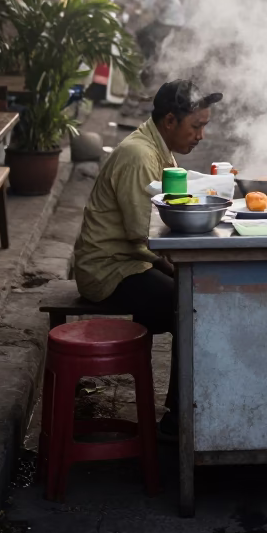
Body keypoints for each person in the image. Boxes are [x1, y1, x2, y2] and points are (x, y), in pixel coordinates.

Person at [73, 79, 223, 439]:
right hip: (109, 270)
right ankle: (176, 425)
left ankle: (194, 412)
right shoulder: (140, 155)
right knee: (191, 306)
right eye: (196, 126)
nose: (201, 135)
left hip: (132, 261)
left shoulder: (157, 146)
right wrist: (182, 270)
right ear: (170, 121)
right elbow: (144, 239)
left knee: (197, 295)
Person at [132, 0, 185, 71]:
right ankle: (150, 62)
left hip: (171, 19)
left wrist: (135, 9)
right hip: (166, 17)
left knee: (147, 36)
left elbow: (147, 5)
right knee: (143, 34)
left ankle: (150, 66)